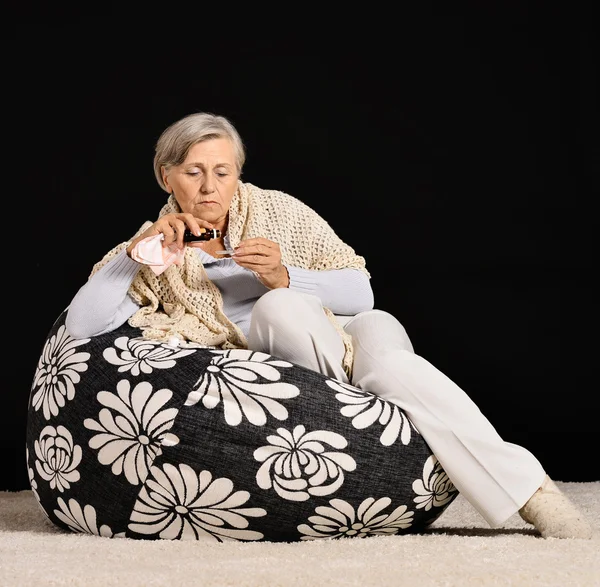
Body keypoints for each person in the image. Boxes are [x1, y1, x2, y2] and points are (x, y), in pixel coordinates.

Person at [65, 111, 592, 540]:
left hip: (346, 342)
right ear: (166, 175)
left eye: (222, 172)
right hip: (289, 374)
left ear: (238, 174)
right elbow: (83, 325)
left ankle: (535, 498)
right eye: (193, 171)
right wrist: (137, 256)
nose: (209, 187)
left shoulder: (280, 212)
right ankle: (517, 485)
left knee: (383, 342)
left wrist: (285, 273)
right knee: (282, 310)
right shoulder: (155, 246)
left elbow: (360, 292)